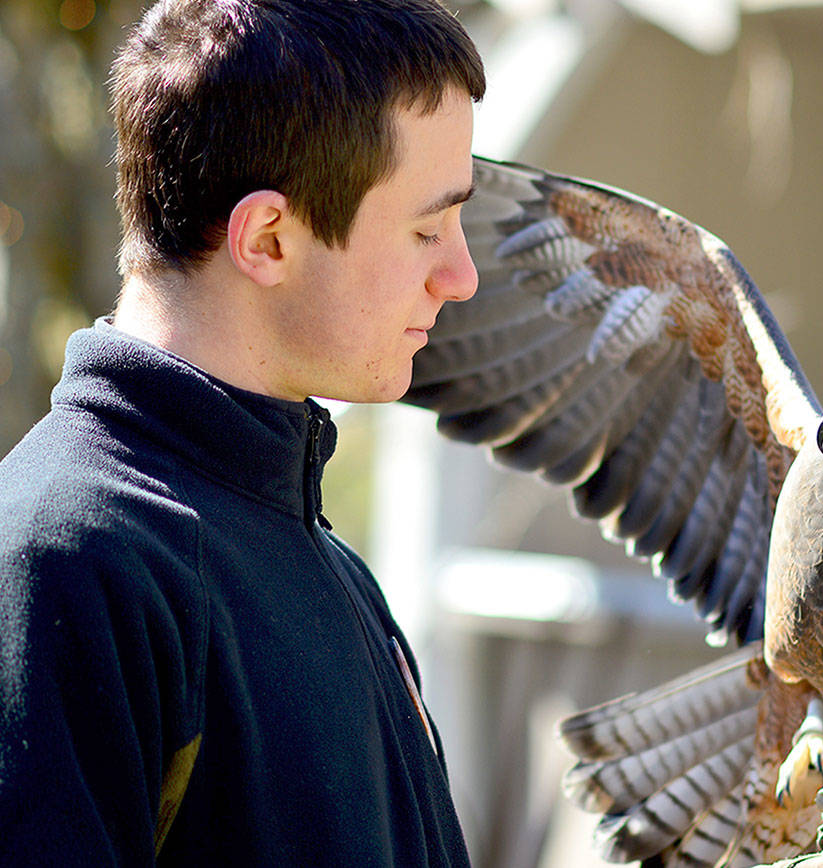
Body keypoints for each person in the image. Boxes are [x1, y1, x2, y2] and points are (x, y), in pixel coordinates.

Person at [0, 0, 484, 863]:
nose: (461, 275)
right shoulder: (63, 561)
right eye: (427, 229)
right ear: (266, 238)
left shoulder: (324, 563)